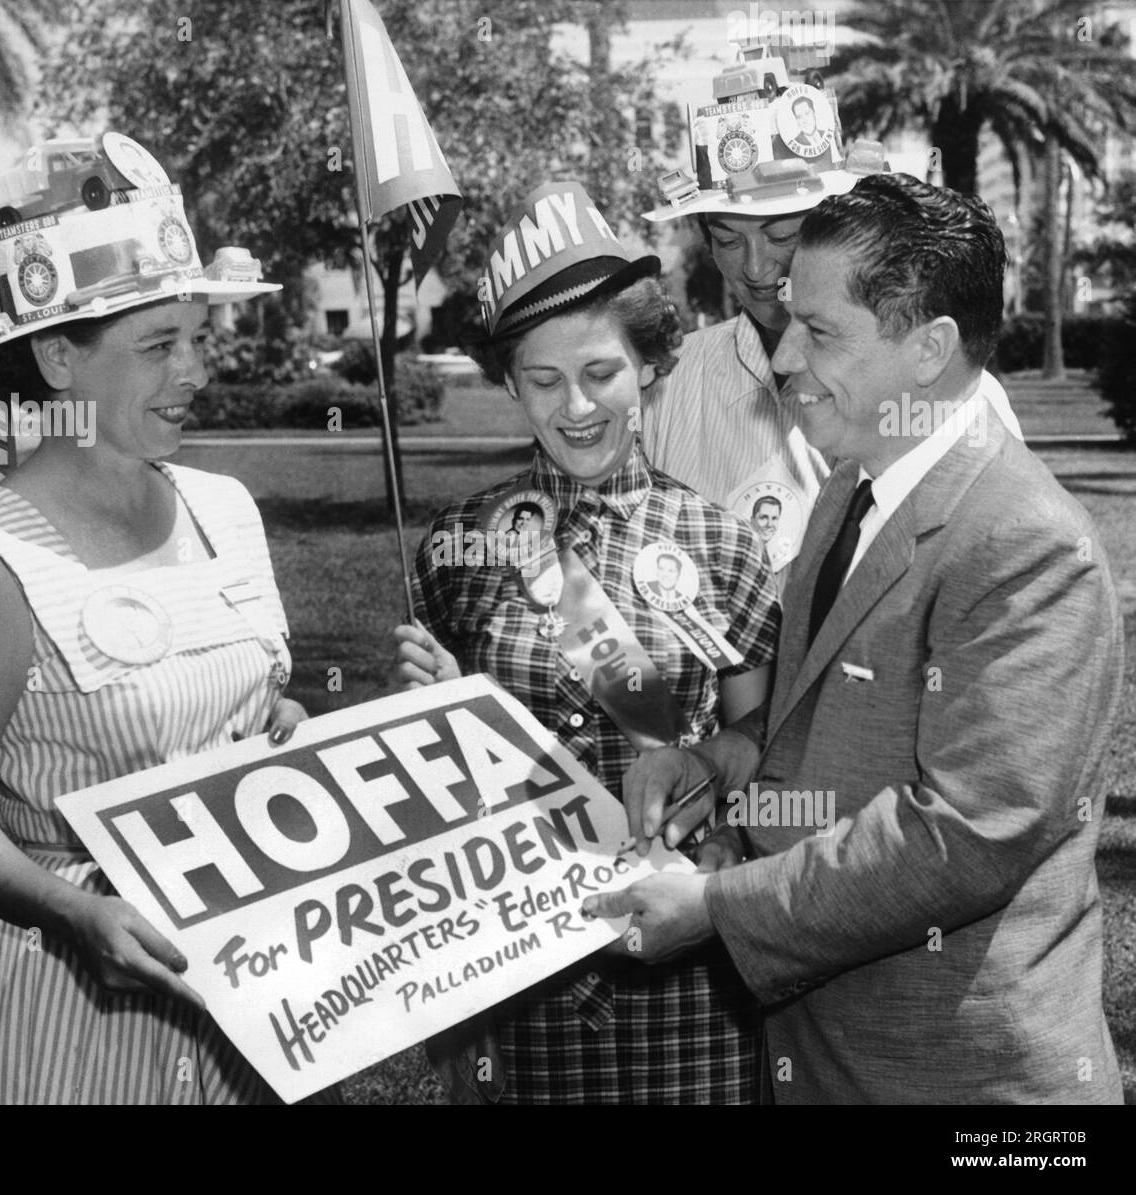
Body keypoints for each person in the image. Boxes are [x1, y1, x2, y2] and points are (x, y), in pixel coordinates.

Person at [586, 174, 1124, 1104]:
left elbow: (963, 834)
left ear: (930, 349)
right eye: (791, 320)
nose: (785, 355)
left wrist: (717, 907)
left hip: (964, 1083)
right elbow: (810, 727)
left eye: (821, 331)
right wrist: (720, 764)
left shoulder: (1028, 544)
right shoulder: (851, 487)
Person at [0, 132, 335, 1105]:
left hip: (252, 994)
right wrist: (69, 911)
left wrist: (283, 730)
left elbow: (247, 706)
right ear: (59, 358)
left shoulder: (225, 508)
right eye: (157, 347)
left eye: (196, 338)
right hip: (76, 1002)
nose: (193, 371)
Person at [389, 180, 781, 1105]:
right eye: (542, 379)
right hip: (518, 983)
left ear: (648, 364)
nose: (576, 407)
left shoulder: (721, 543)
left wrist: (708, 763)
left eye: (601, 372)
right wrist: (436, 711)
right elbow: (423, 792)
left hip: (686, 974)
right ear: (507, 381)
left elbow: (765, 744)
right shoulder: (458, 545)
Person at [641, 64, 1021, 594]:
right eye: (728, 241)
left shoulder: (954, 393)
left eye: (783, 236)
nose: (756, 268)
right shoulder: (668, 381)